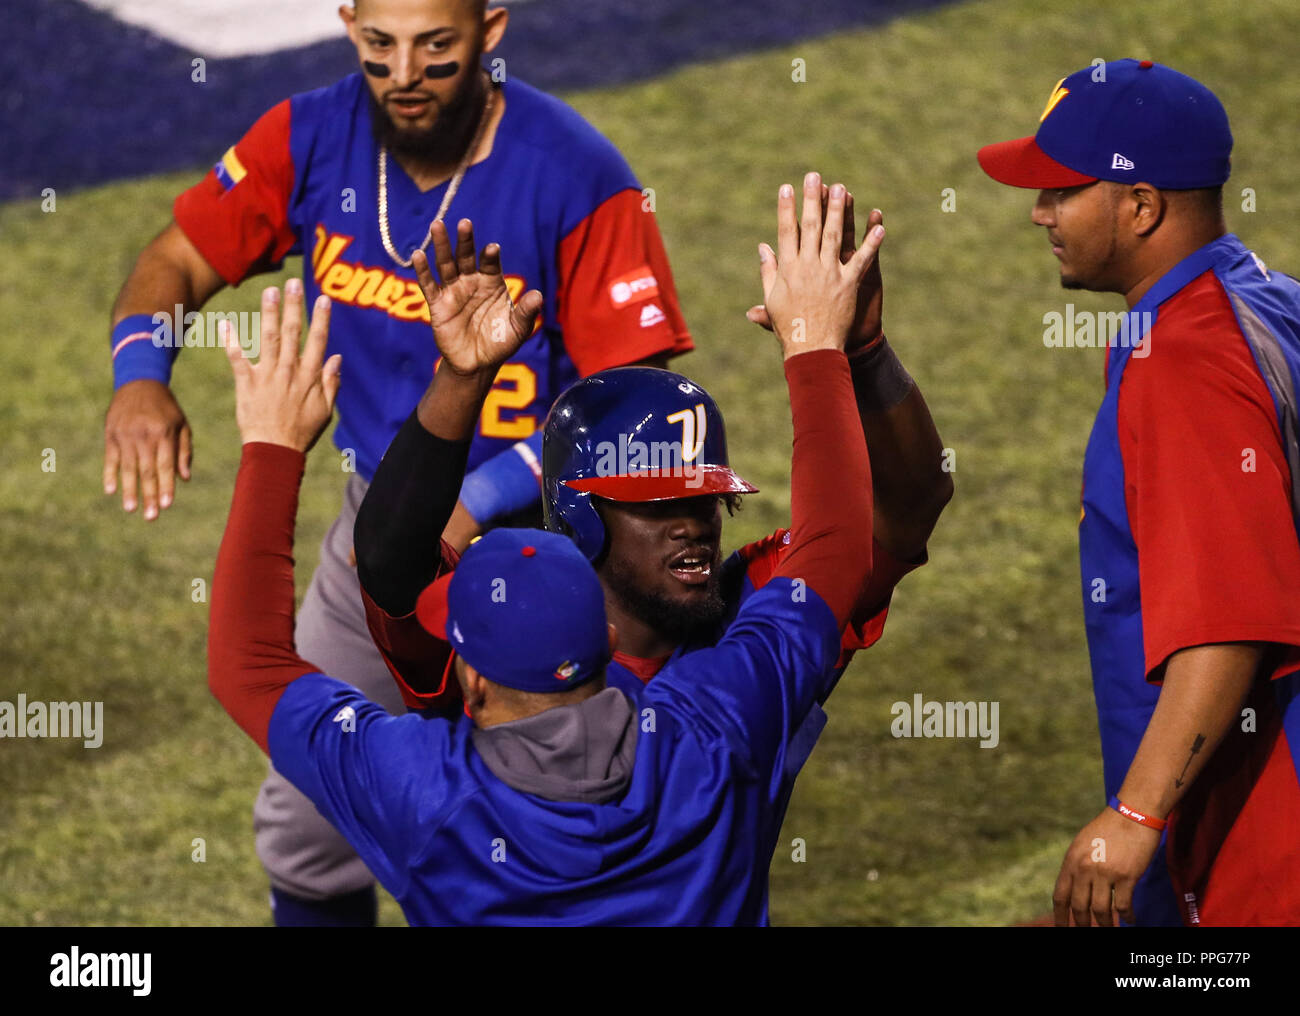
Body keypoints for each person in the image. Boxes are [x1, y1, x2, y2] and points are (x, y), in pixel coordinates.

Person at [105, 0, 691, 925]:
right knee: (307, 820)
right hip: (383, 530)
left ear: (490, 31)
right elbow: (177, 257)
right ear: (348, 25)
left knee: (569, 816)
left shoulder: (577, 175)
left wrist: (482, 497)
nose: (404, 73)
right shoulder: (306, 136)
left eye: (436, 47)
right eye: (380, 45)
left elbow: (636, 405)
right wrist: (140, 378)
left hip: (558, 544)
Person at [208, 188, 880, 924]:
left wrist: (273, 449)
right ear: (610, 642)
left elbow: (248, 663)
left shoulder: (420, 791)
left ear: (471, 681)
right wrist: (817, 345)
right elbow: (839, 545)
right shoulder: (717, 723)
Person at [352, 172, 953, 902]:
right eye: (656, 504)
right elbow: (388, 560)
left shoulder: (748, 606)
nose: (692, 525)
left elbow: (909, 505)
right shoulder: (505, 631)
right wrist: (459, 379)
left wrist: (862, 352)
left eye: (702, 500)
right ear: (578, 516)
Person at [978, 58, 1300, 927]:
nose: (1040, 212)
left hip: (1266, 840)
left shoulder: (1188, 356)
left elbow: (1233, 619)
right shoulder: (1266, 301)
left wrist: (1134, 816)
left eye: (1062, 191)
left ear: (1142, 206)